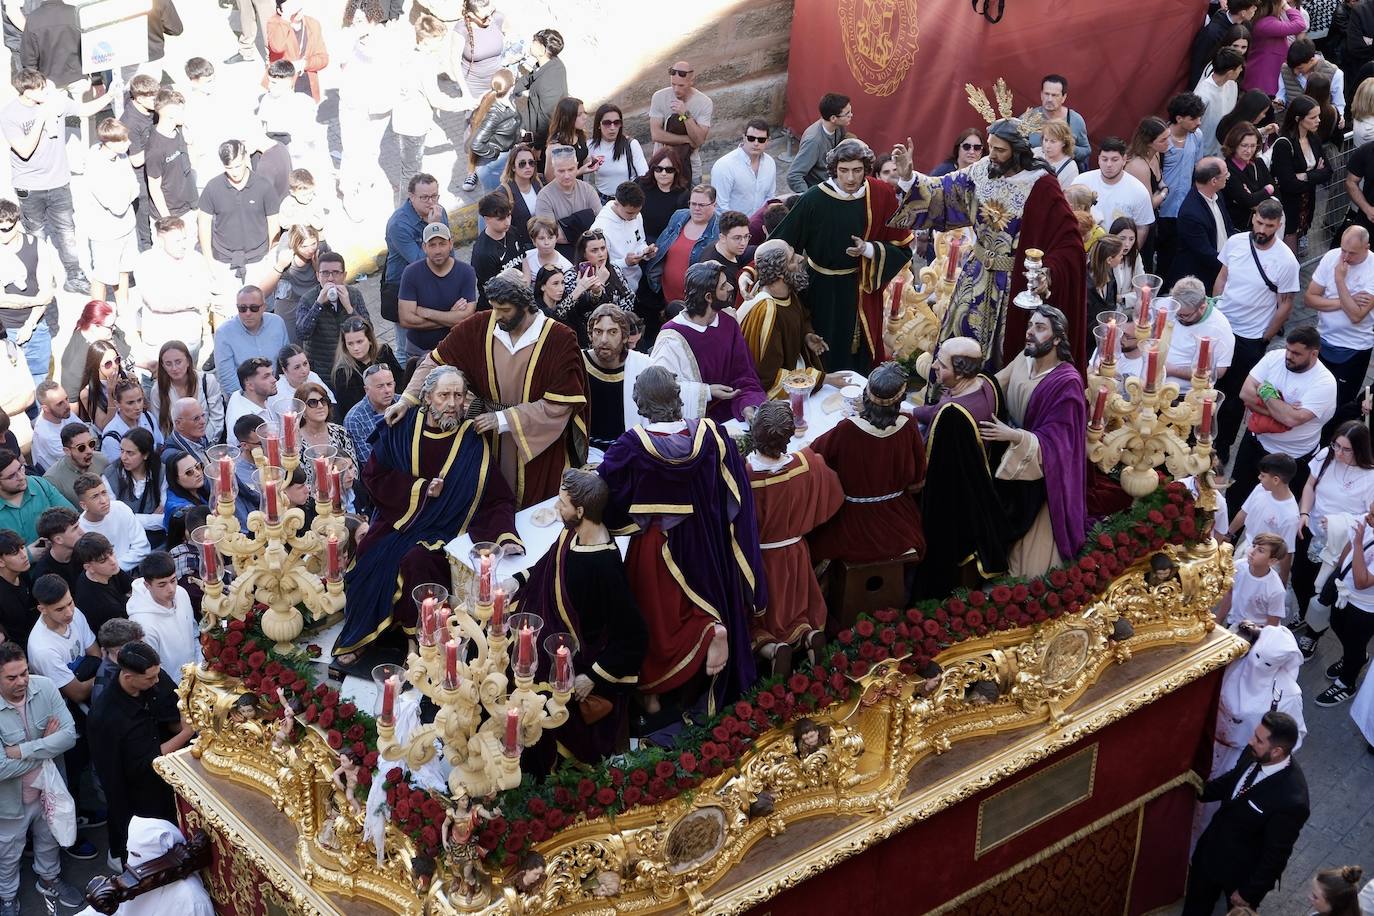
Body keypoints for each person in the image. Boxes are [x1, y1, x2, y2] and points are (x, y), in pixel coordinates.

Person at [597, 366, 763, 712]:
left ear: (640, 404)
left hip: (658, 548)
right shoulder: (712, 434)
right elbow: (738, 490)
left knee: (655, 615)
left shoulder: (630, 446)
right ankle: (712, 631)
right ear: (677, 398)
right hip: (708, 540)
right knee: (705, 598)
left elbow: (606, 495)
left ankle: (654, 691)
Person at [335, 367, 518, 662]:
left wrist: (504, 535)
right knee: (370, 551)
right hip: (398, 517)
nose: (451, 403)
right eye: (444, 394)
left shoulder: (472, 439)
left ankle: (418, 639)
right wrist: (419, 489)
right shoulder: (403, 425)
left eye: (458, 395)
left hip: (444, 528)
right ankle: (362, 633)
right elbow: (373, 475)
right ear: (427, 396)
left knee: (417, 561)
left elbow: (497, 498)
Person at [891, 121, 1085, 369]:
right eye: (990, 147)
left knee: (1005, 353)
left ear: (1017, 151)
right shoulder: (981, 171)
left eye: (1000, 150)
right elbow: (942, 191)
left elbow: (1069, 241)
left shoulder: (1041, 183)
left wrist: (1047, 271)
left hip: (1012, 283)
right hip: (976, 277)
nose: (991, 155)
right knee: (957, 342)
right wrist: (909, 177)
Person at [393, 271, 586, 508]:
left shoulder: (559, 339)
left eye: (504, 310)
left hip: (538, 449)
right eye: (494, 308)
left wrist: (504, 419)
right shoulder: (480, 325)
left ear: (524, 305)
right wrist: (406, 400)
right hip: (487, 442)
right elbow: (435, 361)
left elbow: (561, 405)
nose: (496, 316)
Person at [514, 469, 646, 770]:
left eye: (562, 504)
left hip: (576, 660)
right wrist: (517, 581)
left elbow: (634, 635)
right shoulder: (571, 533)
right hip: (547, 633)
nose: (556, 508)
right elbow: (546, 564)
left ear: (582, 510)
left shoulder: (605, 565)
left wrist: (593, 677)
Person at [774, 139, 914, 372]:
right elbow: (781, 243)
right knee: (822, 348)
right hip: (821, 290)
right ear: (833, 170)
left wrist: (868, 250)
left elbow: (902, 247)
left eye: (857, 170)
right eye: (843, 171)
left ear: (866, 169)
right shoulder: (813, 199)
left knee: (858, 354)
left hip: (860, 290)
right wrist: (751, 271)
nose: (850, 178)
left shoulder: (881, 194)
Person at [981, 305, 1087, 575]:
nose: (1030, 332)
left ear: (1057, 339)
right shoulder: (1024, 358)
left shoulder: (1067, 381)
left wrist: (1013, 435)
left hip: (1042, 474)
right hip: (1010, 456)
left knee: (1029, 565)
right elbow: (992, 386)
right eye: (1031, 325)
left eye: (1040, 328)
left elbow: (1060, 443)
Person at [745, 402, 842, 675]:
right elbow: (833, 495)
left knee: (758, 618)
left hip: (761, 558)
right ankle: (810, 635)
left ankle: (773, 648)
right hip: (796, 550)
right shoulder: (807, 463)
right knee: (800, 607)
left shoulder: (745, 475)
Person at [1183, 711, 1310, 915]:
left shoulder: (1292, 801)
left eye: (1258, 740)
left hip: (1240, 877)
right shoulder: (1254, 753)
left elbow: (1276, 855)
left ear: (1277, 751)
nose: (1251, 741)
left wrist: (1249, 892)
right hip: (1209, 855)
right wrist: (1195, 789)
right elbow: (1231, 781)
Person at [1, 68, 109, 296]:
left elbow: (83, 110)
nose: (45, 91)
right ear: (26, 91)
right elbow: (24, 150)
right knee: (36, 235)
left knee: (67, 232)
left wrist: (110, 96)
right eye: (39, 88)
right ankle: (39, 279)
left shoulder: (55, 101)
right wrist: (41, 118)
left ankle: (74, 276)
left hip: (59, 180)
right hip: (29, 186)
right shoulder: (10, 114)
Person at [808, 361, 927, 565]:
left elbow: (814, 456)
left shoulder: (846, 429)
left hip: (849, 523)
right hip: (898, 521)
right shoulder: (909, 426)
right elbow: (917, 479)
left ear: (866, 396)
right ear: (900, 398)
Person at [87, 641, 185, 873]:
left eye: (157, 674)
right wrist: (188, 732)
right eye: (150, 678)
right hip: (136, 796)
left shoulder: (153, 682)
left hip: (165, 784)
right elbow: (147, 761)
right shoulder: (106, 716)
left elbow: (171, 713)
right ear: (129, 677)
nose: (157, 682)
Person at [0, 640, 82, 913]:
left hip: (49, 788)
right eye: (12, 677)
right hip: (11, 803)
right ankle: (8, 897)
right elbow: (0, 768)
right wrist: (47, 746)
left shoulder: (44, 687)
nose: (22, 681)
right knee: (8, 854)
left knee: (49, 838)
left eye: (24, 673)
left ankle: (49, 879)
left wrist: (23, 750)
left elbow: (69, 735)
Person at [1214, 200, 1297, 462]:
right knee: (1208, 385)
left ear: (1278, 226)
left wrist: (1265, 336)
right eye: (1259, 223)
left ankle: (1223, 445)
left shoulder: (1286, 261)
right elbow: (1222, 277)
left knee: (1235, 397)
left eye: (1269, 226)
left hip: (1251, 337)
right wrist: (1215, 312)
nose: (1262, 229)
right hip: (1222, 327)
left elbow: (1285, 304)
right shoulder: (1236, 242)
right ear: (1253, 218)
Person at [1228, 326, 1338, 516]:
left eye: (1296, 353)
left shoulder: (1324, 383)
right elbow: (1245, 393)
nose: (1288, 356)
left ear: (1314, 354)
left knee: (1276, 516)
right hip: (1255, 444)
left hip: (1292, 459)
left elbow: (1292, 419)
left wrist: (1265, 392)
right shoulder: (1274, 357)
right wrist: (1280, 412)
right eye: (1288, 349)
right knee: (1235, 501)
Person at [649, 261, 766, 424]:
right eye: (723, 286)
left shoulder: (728, 322)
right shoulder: (672, 338)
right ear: (709, 297)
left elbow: (744, 373)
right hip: (695, 424)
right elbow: (660, 391)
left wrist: (748, 405)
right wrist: (707, 392)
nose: (731, 288)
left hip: (734, 415)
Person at [1210, 625, 1305, 788]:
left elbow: (1292, 736)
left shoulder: (1288, 694)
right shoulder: (1234, 660)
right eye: (1257, 656)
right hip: (1209, 743)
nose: (1258, 664)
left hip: (1240, 758)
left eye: (1267, 663)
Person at [736, 239, 831, 396]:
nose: (801, 258)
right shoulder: (767, 311)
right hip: (779, 391)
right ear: (780, 272)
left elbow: (799, 317)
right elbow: (768, 376)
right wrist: (824, 378)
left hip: (796, 368)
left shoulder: (786, 290)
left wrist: (806, 335)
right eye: (792, 258)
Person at [197, 140, 283, 296]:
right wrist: (209, 261)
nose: (235, 172)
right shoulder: (213, 187)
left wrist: (270, 258)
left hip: (258, 259)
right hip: (223, 260)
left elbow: (273, 225)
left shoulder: (264, 186)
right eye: (229, 168)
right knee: (224, 308)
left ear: (246, 159)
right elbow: (203, 223)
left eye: (238, 166)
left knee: (257, 308)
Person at [1306, 225, 1374, 410]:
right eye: (1343, 250)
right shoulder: (1331, 257)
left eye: (1352, 253)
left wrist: (1339, 280)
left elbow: (1356, 315)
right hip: (1323, 340)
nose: (1344, 257)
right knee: (1312, 399)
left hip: (1354, 348)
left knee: (1338, 406)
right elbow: (1310, 299)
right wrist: (1348, 300)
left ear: (1366, 247)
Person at [581, 304, 663, 454]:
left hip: (629, 452)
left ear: (625, 336)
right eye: (598, 332)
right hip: (586, 452)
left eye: (612, 332)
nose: (604, 339)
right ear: (590, 334)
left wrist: (707, 391)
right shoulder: (578, 364)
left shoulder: (643, 365)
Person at [131, 217, 216, 359]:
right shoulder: (145, 262)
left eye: (184, 239)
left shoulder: (196, 259)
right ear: (160, 240)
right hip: (158, 337)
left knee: (190, 378)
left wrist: (175, 298)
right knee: (157, 380)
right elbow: (156, 303)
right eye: (177, 241)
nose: (183, 245)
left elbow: (205, 296)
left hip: (189, 336)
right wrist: (192, 302)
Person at [0, 198, 62, 386]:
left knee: (40, 379)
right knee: (11, 382)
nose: (1, 234)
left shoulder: (37, 246)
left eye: (5, 229)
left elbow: (47, 290)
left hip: (36, 326)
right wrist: (37, 299)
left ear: (17, 223)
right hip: (4, 329)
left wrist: (30, 324)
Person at [383, 174, 446, 357]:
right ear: (411, 197)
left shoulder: (439, 212)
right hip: (403, 287)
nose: (430, 202)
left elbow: (449, 249)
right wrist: (433, 228)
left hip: (433, 283)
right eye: (424, 197)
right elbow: (422, 261)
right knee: (406, 348)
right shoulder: (399, 224)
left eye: (434, 196)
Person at [1317, 507, 1374, 706]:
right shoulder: (1367, 523)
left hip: (1365, 607)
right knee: (1336, 624)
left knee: (1354, 641)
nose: (1368, 517)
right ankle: (1356, 657)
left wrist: (1358, 543)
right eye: (1371, 511)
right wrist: (1338, 573)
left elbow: (1362, 581)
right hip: (1344, 593)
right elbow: (1349, 545)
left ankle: (1346, 683)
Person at [398, 222, 478, 362]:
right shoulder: (411, 273)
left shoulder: (466, 272)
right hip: (418, 351)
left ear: (450, 244)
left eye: (442, 244)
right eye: (432, 245)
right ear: (424, 247)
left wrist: (428, 313)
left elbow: (466, 317)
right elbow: (406, 319)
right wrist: (451, 317)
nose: (438, 250)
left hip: (455, 349)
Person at [86, 118, 140, 314]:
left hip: (126, 227)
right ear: (109, 143)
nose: (129, 143)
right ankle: (95, 315)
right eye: (124, 140)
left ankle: (123, 309)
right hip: (105, 233)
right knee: (102, 276)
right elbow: (116, 206)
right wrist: (127, 191)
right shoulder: (96, 166)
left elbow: (135, 187)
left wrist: (125, 191)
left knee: (123, 270)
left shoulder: (122, 157)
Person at [554, 229, 637, 346]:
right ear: (584, 253)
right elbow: (577, 311)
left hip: (618, 330)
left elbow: (629, 297)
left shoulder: (614, 269)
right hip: (587, 337)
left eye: (603, 248)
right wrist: (599, 284)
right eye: (594, 250)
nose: (601, 254)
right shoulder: (571, 277)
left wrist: (616, 321)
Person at [295, 252, 369, 382]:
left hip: (351, 368)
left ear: (344, 275)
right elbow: (302, 333)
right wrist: (318, 304)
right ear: (318, 276)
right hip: (322, 372)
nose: (330, 278)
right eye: (325, 273)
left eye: (336, 273)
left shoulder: (354, 295)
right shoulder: (307, 299)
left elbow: (368, 331)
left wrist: (349, 308)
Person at [1271, 96, 1332, 254]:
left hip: (1307, 203)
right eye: (1313, 117)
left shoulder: (1313, 138)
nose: (1318, 120)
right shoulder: (1284, 144)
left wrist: (1305, 176)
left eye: (1318, 116)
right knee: (1290, 254)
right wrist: (1315, 174)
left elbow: (1328, 172)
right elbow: (1288, 183)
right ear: (1298, 119)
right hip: (1290, 206)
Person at [125, 552, 196, 685]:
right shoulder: (142, 624)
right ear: (147, 585)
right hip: (174, 686)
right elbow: (154, 669)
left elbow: (194, 632)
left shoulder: (181, 593)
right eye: (162, 585)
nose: (171, 589)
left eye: (173, 580)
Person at [1157, 93, 1207, 280]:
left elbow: (1198, 166)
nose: (1199, 122)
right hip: (1163, 208)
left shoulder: (1197, 136)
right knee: (1163, 253)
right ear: (1179, 118)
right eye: (1193, 118)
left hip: (1185, 207)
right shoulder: (1162, 140)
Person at [1167, 158, 1236, 290]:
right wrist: (1231, 264)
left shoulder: (1217, 195)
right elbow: (1204, 253)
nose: (1228, 177)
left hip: (1220, 264)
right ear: (1214, 181)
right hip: (1200, 277)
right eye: (1226, 174)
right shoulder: (1191, 213)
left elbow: (1228, 228)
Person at [1072, 137, 1156, 242]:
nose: (1109, 165)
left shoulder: (1139, 191)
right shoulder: (1081, 182)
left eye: (1114, 160)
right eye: (1104, 159)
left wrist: (1130, 254)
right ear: (1098, 159)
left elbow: (1142, 227)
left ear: (1124, 159)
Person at [214, 286, 290, 398]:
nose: (248, 313)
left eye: (254, 308)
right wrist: (251, 402)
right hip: (244, 398)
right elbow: (227, 379)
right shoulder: (224, 333)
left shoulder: (277, 323)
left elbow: (286, 361)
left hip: (277, 393)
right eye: (242, 308)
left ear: (264, 307)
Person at [1164, 276, 1235, 392]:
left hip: (1186, 394)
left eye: (1184, 315)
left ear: (1202, 307)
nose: (1178, 317)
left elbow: (1219, 371)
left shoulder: (1219, 327)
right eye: (1176, 311)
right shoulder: (1169, 305)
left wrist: (1172, 370)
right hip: (1155, 384)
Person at [648, 61, 713, 186]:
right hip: (662, 167)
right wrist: (688, 140)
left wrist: (685, 114)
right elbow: (656, 135)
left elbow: (699, 140)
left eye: (681, 85)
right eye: (673, 84)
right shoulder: (659, 97)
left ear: (691, 81)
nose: (676, 89)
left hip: (690, 168)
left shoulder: (704, 102)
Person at [534, 146, 602, 261]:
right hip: (561, 257)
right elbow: (550, 236)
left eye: (570, 169)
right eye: (561, 171)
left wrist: (567, 227)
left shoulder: (588, 190)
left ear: (577, 167)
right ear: (554, 169)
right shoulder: (544, 197)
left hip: (591, 253)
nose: (566, 175)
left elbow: (600, 224)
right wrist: (586, 220)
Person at [150, 341, 224, 446]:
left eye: (178, 362)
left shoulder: (207, 381)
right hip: (178, 447)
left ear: (188, 361)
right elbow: (160, 427)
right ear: (163, 366)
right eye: (168, 364)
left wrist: (205, 443)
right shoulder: (158, 390)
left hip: (209, 442)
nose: (174, 368)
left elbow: (217, 418)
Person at [331, 317, 402, 423]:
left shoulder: (384, 352)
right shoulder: (343, 372)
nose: (355, 348)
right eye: (350, 343)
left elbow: (400, 382)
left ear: (369, 340)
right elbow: (350, 409)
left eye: (359, 342)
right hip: (367, 421)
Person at [75, 474, 149, 574]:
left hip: (132, 572)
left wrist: (116, 567)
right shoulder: (80, 529)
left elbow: (142, 547)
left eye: (104, 493)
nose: (103, 500)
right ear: (84, 505)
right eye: (95, 497)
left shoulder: (120, 508)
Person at [144, 90, 198, 222]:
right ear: (171, 114)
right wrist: (168, 220)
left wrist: (190, 143)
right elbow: (154, 187)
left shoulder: (179, 131)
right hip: (170, 213)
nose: (185, 114)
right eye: (182, 110)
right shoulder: (155, 148)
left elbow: (191, 165)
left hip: (189, 205)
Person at [464, 69, 521, 193]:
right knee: (494, 204)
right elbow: (476, 144)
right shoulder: (495, 113)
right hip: (493, 166)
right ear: (511, 87)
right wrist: (495, 152)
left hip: (503, 160)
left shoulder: (506, 102)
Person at [0, 448, 73, 543]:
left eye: (20, 469)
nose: (21, 477)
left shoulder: (38, 483)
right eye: (12, 476)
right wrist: (28, 553)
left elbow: (71, 516)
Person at [510, 28, 565, 150]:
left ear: (542, 49)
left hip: (541, 138)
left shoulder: (550, 80)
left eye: (534, 42)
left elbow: (546, 120)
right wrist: (510, 88)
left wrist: (538, 147)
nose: (531, 44)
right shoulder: (549, 63)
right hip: (532, 125)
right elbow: (531, 78)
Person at [1219, 532, 1290, 626]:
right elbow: (1230, 593)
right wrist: (1218, 620)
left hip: (1255, 633)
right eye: (1253, 546)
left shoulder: (1276, 590)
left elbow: (1272, 624)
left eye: (1260, 550)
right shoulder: (1238, 566)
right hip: (1233, 623)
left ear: (1272, 561)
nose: (1252, 552)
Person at [104, 428, 163, 538]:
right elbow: (113, 517)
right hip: (125, 539)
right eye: (122, 451)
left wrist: (127, 518)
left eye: (130, 453)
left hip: (157, 540)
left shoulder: (161, 472)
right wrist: (150, 518)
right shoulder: (110, 475)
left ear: (145, 455)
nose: (123, 457)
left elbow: (164, 519)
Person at [470, 192, 525, 311]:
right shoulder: (483, 253)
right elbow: (492, 291)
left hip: (521, 295)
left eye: (509, 216)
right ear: (487, 219)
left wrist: (525, 288)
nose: (507, 222)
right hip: (499, 307)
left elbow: (524, 259)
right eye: (501, 219)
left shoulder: (512, 231)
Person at [1024, 74, 1092, 169]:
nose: (1049, 99)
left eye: (1055, 95)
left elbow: (1086, 150)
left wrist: (1065, 148)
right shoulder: (1027, 118)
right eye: (1046, 94)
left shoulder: (1075, 120)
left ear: (1064, 97)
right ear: (1041, 95)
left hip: (1065, 174)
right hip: (1032, 174)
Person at [787, 93, 852, 192]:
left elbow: (844, 139)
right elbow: (794, 176)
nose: (851, 115)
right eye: (847, 113)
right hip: (820, 189)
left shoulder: (838, 127)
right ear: (833, 118)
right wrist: (808, 198)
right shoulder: (814, 141)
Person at [71, 531, 131, 633]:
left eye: (111, 553)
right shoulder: (100, 604)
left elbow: (132, 586)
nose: (112, 561)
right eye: (103, 561)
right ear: (89, 567)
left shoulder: (109, 570)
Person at [1221, 123, 1277, 231]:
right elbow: (1247, 200)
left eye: (1253, 146)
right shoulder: (1227, 169)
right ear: (1234, 144)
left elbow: (1277, 195)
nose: (1249, 150)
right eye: (1244, 145)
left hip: (1265, 225)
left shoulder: (1258, 163)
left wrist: (1256, 200)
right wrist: (1267, 190)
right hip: (1240, 228)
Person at [1190, 0, 1258, 86]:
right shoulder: (1212, 33)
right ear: (1243, 13)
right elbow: (1198, 63)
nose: (1255, 9)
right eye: (1253, 7)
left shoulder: (1246, 26)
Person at [343, 364, 397, 471]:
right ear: (367, 390)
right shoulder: (355, 419)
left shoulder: (404, 404)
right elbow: (369, 463)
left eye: (389, 384)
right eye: (380, 386)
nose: (387, 390)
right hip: (379, 478)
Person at [44, 423, 109, 508]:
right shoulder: (53, 480)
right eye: (81, 448)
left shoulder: (101, 460)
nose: (89, 450)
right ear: (67, 451)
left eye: (91, 444)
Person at [1196, 48, 1247, 158]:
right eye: (1239, 68)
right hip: (1202, 154)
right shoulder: (1202, 94)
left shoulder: (1232, 85)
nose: (1241, 70)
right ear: (1230, 73)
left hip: (1223, 151)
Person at [98, 379, 161, 463]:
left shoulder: (148, 417)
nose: (137, 407)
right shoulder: (112, 435)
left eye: (139, 400)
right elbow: (117, 468)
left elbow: (159, 445)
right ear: (117, 404)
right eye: (130, 403)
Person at [224, 357, 277, 449]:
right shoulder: (243, 419)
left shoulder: (240, 394)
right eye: (266, 376)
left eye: (272, 374)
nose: (274, 380)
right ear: (250, 385)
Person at [0, 530, 37, 646]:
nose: (24, 555)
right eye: (15, 553)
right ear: (1, 562)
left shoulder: (22, 573)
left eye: (22, 547)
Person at [30, 506, 80, 590]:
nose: (81, 531)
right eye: (75, 529)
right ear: (58, 539)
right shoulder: (44, 574)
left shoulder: (83, 554)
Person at [160, 450, 209, 531]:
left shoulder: (198, 488)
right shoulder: (178, 508)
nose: (197, 473)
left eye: (198, 466)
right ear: (175, 479)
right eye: (189, 472)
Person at [29, 382, 71, 473]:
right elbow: (76, 459)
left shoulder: (62, 413)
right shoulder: (47, 435)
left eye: (66, 399)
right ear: (46, 408)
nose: (67, 405)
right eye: (60, 403)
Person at [163, 398, 212, 471]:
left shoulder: (202, 438)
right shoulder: (172, 455)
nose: (203, 421)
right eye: (196, 418)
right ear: (179, 424)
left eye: (203, 416)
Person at [1034, 119, 1079, 189]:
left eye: (1053, 141)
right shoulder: (1035, 153)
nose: (1047, 146)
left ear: (1064, 142)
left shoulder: (1070, 168)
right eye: (1046, 140)